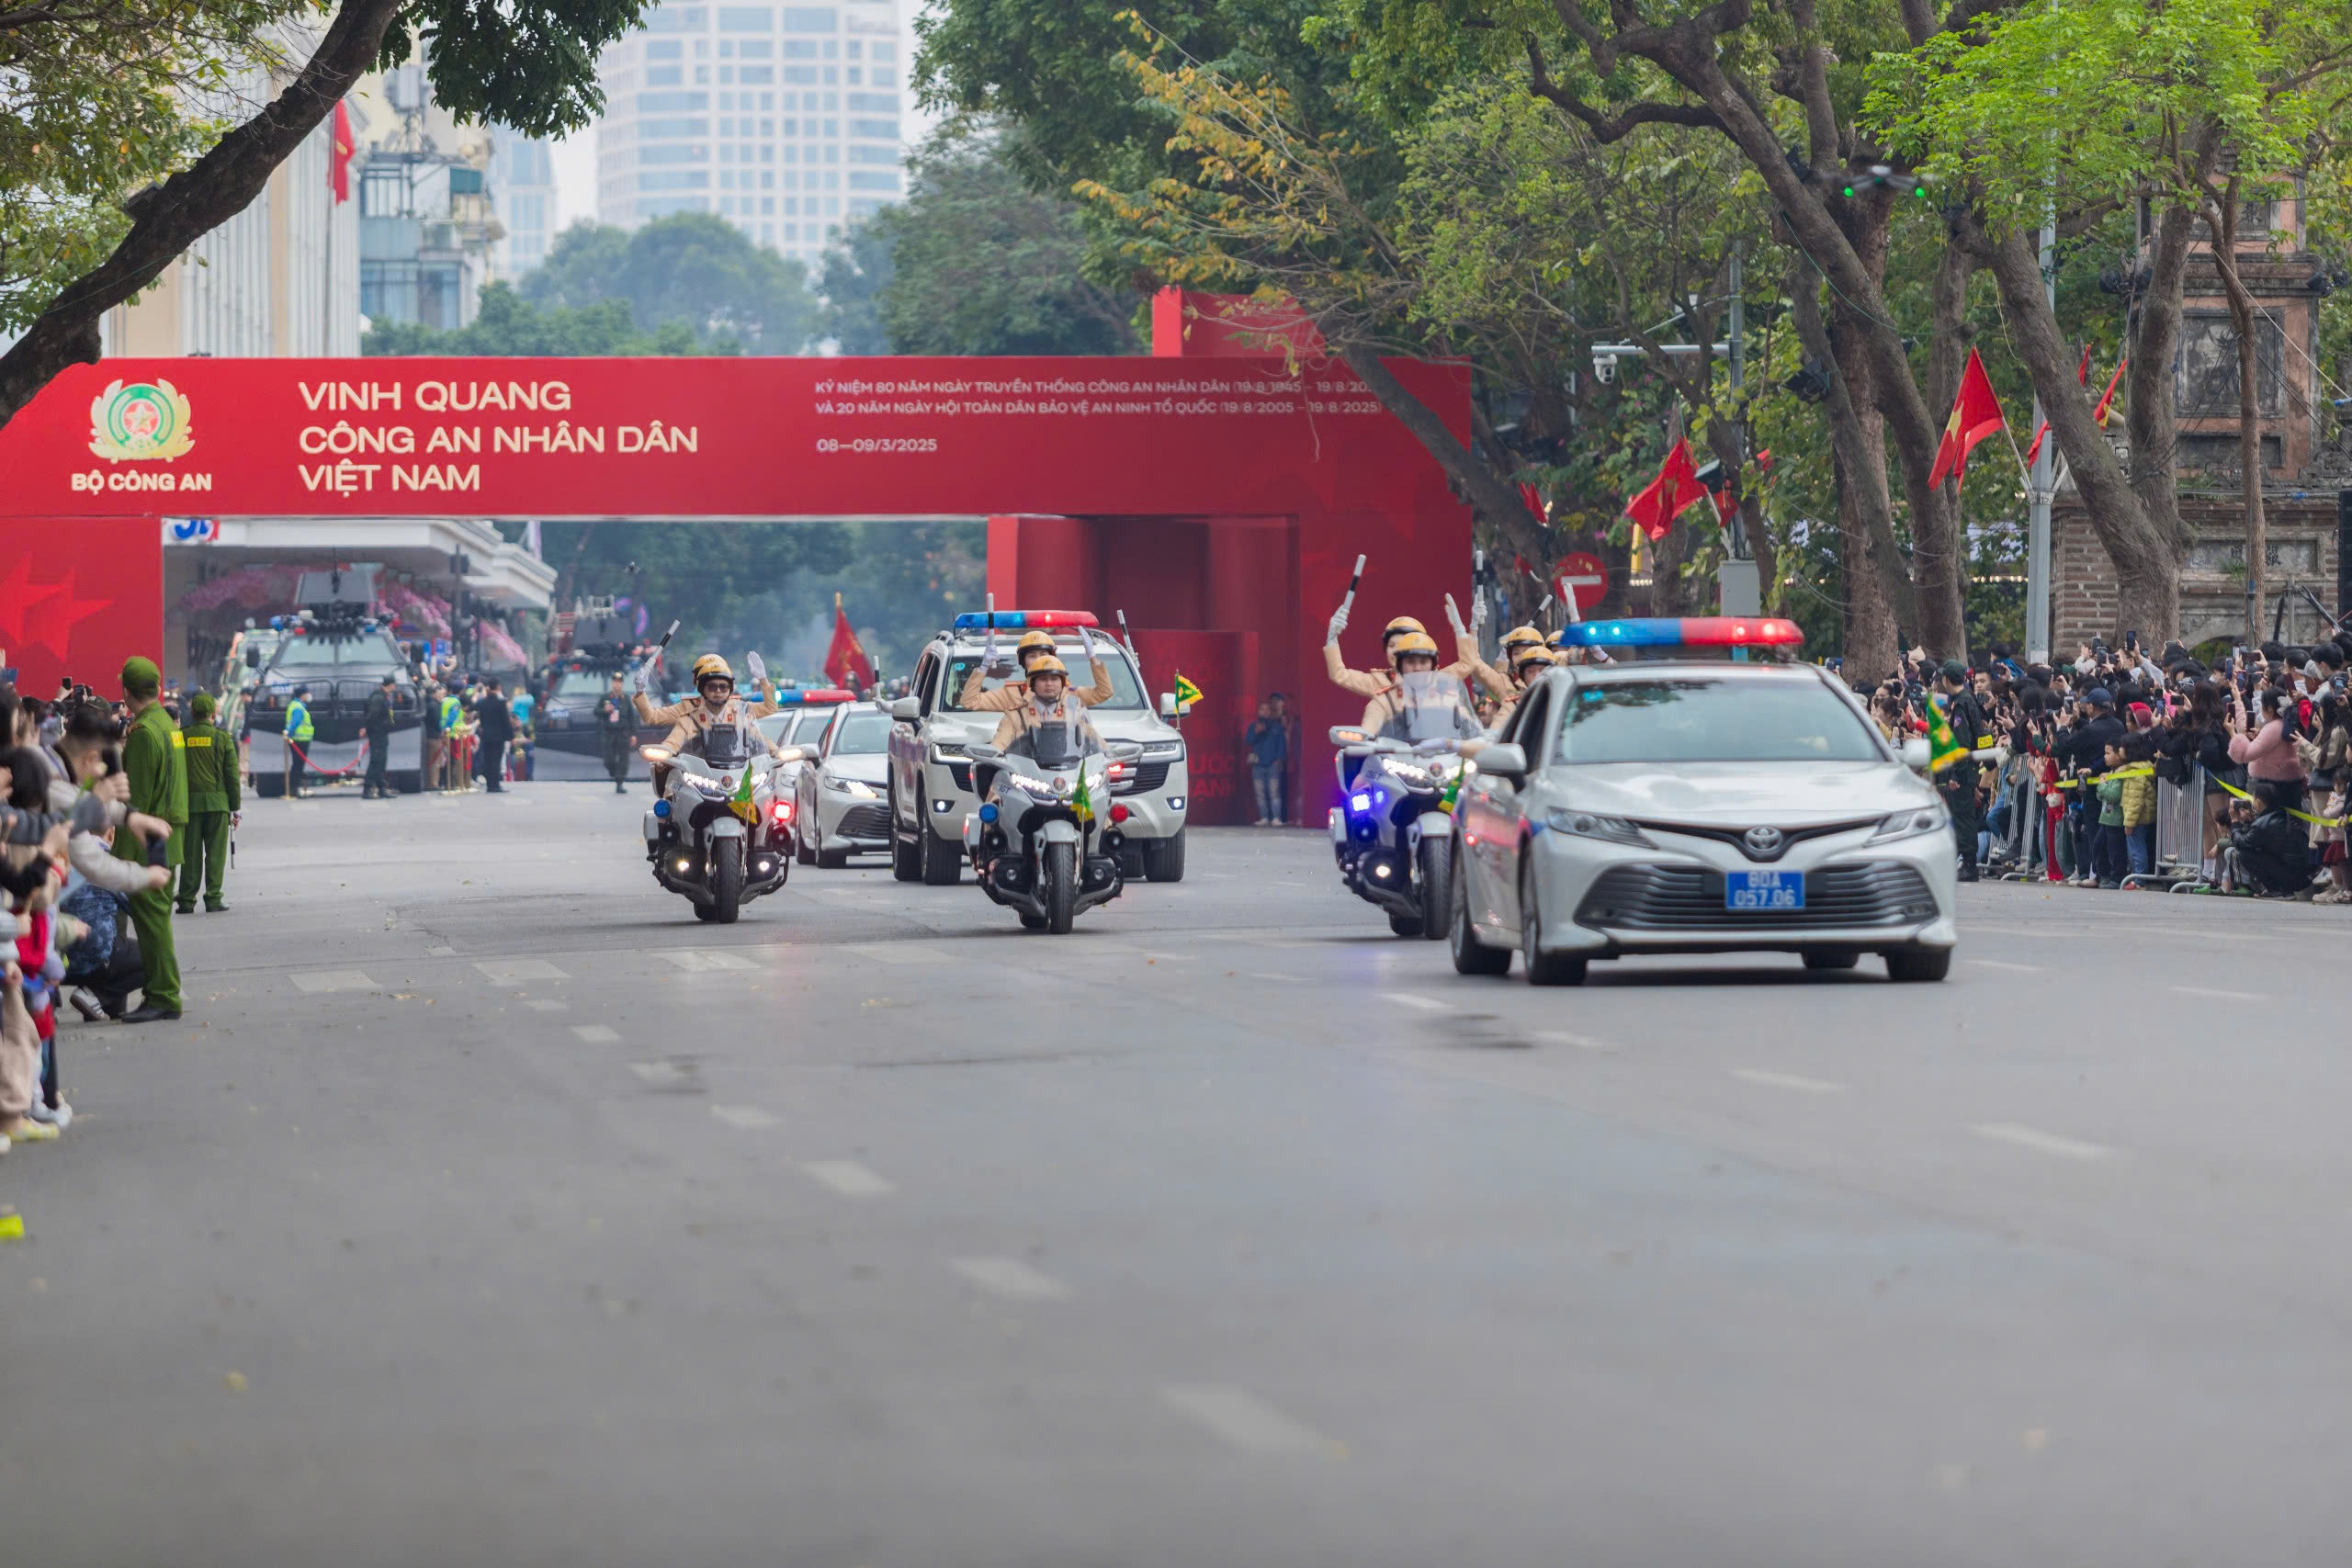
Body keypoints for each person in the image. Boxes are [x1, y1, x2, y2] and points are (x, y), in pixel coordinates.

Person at [114, 657, 186, 1022]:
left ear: (126, 691)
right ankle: (162, 992)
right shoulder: (167, 724)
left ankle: (163, 995)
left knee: (151, 919)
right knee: (156, 916)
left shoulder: (143, 733)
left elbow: (135, 799)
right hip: (169, 830)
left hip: (149, 836)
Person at [635, 652, 786, 760]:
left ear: (730, 689)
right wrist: (641, 690)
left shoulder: (740, 710)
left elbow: (766, 719)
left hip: (736, 772)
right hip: (697, 773)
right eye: (712, 686)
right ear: (700, 685)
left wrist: (763, 679)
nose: (718, 692)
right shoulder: (687, 716)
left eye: (724, 687)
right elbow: (665, 732)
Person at [176, 692, 240, 914]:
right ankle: (213, 898)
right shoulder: (223, 738)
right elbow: (232, 775)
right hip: (218, 805)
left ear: (192, 713)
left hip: (190, 806)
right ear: (213, 713)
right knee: (215, 854)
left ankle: (186, 900)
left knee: (190, 854)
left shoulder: (180, 737)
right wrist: (236, 808)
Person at [959, 626, 1115, 712]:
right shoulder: (1012, 694)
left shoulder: (1067, 692)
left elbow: (1104, 692)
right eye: (1032, 655)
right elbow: (969, 702)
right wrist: (984, 667)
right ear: (1023, 661)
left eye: (1043, 654)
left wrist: (1093, 658)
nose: (1039, 659)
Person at [1931, 660, 1986, 882]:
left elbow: (1962, 742)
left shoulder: (1962, 703)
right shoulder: (1966, 700)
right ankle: (1966, 861)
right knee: (1962, 815)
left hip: (1962, 772)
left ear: (1946, 680)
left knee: (1964, 817)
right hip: (1965, 769)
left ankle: (1970, 865)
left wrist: (1956, 775)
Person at [1245, 698, 1289, 826]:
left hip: (1272, 764)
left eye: (1267, 710)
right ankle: (1264, 817)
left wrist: (1279, 760)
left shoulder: (1277, 727)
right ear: (1258, 712)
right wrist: (1256, 732)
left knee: (1274, 792)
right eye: (1262, 709)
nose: (1264, 712)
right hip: (1257, 765)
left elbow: (1281, 745)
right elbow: (1248, 741)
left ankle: (1276, 818)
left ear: (1270, 712)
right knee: (1260, 794)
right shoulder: (1254, 726)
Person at [472, 677, 514, 793]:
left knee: (488, 759)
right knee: (496, 760)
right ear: (498, 687)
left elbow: (480, 716)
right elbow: (505, 720)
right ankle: (495, 784)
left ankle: (490, 785)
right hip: (498, 736)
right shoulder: (501, 703)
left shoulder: (483, 703)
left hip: (486, 735)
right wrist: (509, 735)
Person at [596, 672, 635, 795]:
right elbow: (596, 711)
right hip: (609, 733)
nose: (617, 684)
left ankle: (619, 783)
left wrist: (633, 734)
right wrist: (604, 710)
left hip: (623, 733)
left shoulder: (626, 698)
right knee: (608, 760)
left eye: (619, 682)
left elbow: (632, 717)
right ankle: (614, 773)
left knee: (623, 760)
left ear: (622, 684)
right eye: (615, 682)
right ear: (612, 683)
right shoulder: (606, 697)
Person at [361, 672, 395, 799]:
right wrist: (366, 728)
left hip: (382, 732)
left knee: (381, 762)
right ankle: (367, 789)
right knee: (376, 761)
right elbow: (372, 715)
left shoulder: (384, 697)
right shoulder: (378, 698)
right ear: (390, 685)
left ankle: (382, 788)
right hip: (377, 733)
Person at [283, 682, 315, 799]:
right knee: (298, 766)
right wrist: (289, 734)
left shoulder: (296, 705)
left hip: (298, 739)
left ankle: (294, 789)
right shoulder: (298, 707)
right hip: (300, 740)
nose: (309, 695)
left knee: (297, 765)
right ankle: (293, 789)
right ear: (302, 695)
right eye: (307, 693)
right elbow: (295, 723)